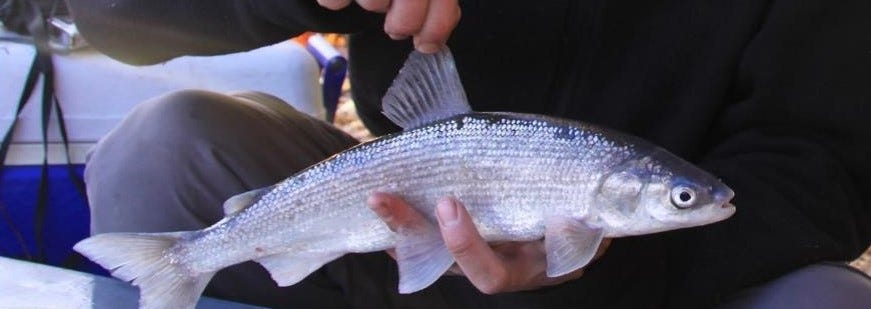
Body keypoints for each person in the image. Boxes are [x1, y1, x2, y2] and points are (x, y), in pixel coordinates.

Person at [65, 0, 871, 308]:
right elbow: (111, 13)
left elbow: (822, 166)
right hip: (396, 235)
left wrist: (591, 267)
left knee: (827, 302)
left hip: (658, 283)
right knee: (162, 149)